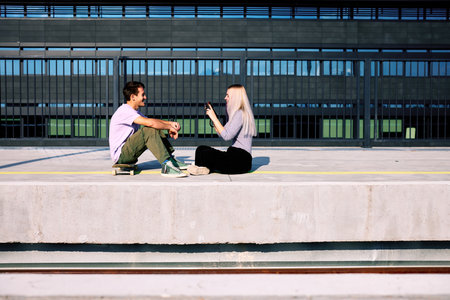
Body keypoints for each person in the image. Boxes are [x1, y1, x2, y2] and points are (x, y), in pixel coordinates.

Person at [109, 81, 188, 178]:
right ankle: (167, 166)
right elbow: (150, 123)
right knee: (148, 130)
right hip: (121, 156)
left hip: (128, 152)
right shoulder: (124, 111)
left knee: (154, 127)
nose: (145, 97)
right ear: (133, 97)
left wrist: (170, 123)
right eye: (143, 95)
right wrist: (169, 127)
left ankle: (171, 160)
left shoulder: (133, 112)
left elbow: (151, 121)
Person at [188, 84, 257, 175]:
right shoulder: (236, 114)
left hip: (240, 160)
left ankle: (204, 167)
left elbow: (226, 136)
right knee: (201, 149)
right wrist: (213, 118)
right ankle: (204, 168)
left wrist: (214, 118)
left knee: (206, 154)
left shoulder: (240, 113)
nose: (225, 98)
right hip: (234, 156)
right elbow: (222, 133)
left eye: (228, 95)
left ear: (235, 97)